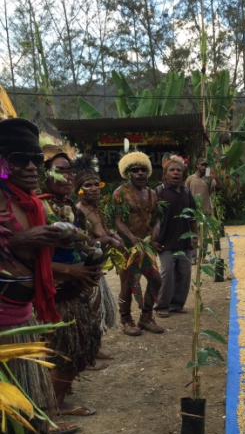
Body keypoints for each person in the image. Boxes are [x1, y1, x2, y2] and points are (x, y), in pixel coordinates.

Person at [0, 118, 74, 434]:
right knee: (8, 398)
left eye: (35, 159)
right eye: (19, 158)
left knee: (26, 393)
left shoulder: (30, 202)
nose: (31, 166)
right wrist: (18, 239)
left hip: (24, 317)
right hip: (3, 325)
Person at [39, 153, 102, 417]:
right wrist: (69, 270)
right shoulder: (38, 208)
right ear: (45, 174)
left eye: (69, 171)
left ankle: (57, 399)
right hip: (54, 292)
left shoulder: (71, 209)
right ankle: (54, 406)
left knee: (78, 347)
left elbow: (79, 244)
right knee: (64, 350)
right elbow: (30, 259)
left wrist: (92, 255)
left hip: (74, 289)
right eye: (59, 170)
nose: (66, 176)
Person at [74, 154, 122, 366]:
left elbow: (103, 233)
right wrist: (109, 239)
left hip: (96, 267)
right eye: (88, 185)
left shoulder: (94, 208)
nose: (94, 188)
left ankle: (95, 348)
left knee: (96, 309)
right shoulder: (78, 211)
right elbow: (84, 241)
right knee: (89, 311)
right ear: (79, 189)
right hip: (85, 268)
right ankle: (87, 354)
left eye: (97, 184)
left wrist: (111, 236)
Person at [112, 151, 163, 335]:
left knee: (156, 280)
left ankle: (146, 317)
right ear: (128, 173)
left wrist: (155, 229)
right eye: (135, 170)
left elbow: (157, 217)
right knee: (128, 283)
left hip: (146, 246)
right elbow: (117, 221)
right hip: (127, 247)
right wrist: (131, 238)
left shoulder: (151, 194)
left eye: (143, 170)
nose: (140, 173)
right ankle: (125, 319)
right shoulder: (120, 194)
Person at [153, 156, 197, 317]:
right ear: (165, 174)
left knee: (184, 274)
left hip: (184, 242)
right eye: (172, 170)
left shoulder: (186, 192)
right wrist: (153, 240)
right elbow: (152, 218)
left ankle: (177, 304)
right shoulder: (158, 192)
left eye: (178, 170)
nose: (175, 173)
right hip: (165, 242)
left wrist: (194, 237)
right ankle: (161, 306)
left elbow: (193, 217)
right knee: (167, 274)